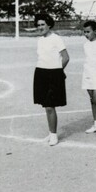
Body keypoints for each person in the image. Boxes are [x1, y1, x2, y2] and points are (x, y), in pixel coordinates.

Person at [33, 14, 70, 146]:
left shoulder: (56, 39)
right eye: (38, 25)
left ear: (49, 25)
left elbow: (66, 57)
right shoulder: (40, 40)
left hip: (53, 73)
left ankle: (54, 135)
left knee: (50, 106)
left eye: (42, 24)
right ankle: (51, 132)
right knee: (45, 105)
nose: (40, 27)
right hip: (40, 72)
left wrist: (59, 72)